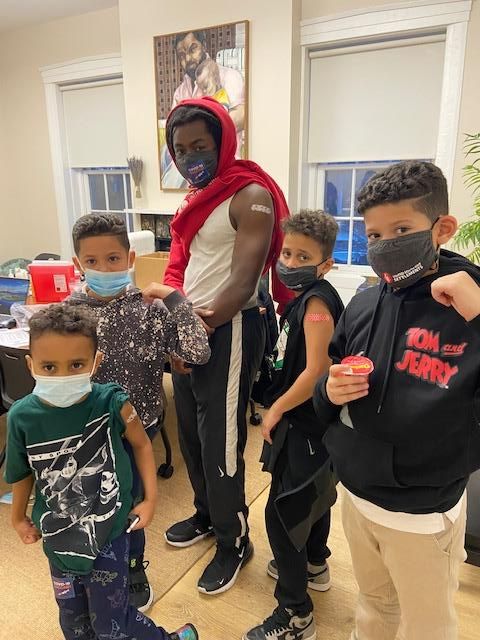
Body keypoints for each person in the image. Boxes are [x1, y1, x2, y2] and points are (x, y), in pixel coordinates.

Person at [313, 161, 480, 640]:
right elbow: (331, 377)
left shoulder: (469, 304)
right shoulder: (364, 302)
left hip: (424, 515)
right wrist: (329, 389)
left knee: (428, 627)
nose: (385, 245)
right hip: (357, 496)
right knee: (373, 607)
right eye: (374, 235)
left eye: (402, 230)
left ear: (442, 228)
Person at [4, 304, 198, 640]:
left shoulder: (113, 404)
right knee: (74, 625)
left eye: (76, 365)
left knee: (112, 624)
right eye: (49, 367)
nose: (62, 376)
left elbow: (141, 445)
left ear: (96, 362)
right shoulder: (22, 417)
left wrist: (150, 499)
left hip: (109, 533)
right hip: (58, 540)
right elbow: (22, 471)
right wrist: (18, 517)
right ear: (30, 364)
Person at [162, 96, 293, 595]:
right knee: (192, 435)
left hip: (231, 327)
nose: (189, 156)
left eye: (199, 145)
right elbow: (182, 268)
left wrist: (193, 330)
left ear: (223, 142)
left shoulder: (249, 194)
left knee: (220, 439)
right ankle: (206, 513)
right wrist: (177, 330)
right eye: (180, 149)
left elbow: (242, 281)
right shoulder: (196, 198)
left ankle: (233, 539)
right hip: (192, 327)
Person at [67, 212, 211, 611]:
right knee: (90, 503)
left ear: (130, 258)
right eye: (92, 261)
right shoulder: (69, 315)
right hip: (86, 432)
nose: (103, 268)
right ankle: (95, 564)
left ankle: (132, 568)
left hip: (138, 428)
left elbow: (198, 352)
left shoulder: (150, 309)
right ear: (78, 264)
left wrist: (175, 299)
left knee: (132, 500)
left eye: (113, 258)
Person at [244, 210, 344, 640]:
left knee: (282, 513)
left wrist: (277, 408)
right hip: (313, 422)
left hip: (305, 421)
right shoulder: (307, 298)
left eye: (303, 256)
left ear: (325, 264)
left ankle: (295, 613)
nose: (289, 262)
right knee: (312, 497)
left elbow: (317, 369)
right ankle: (314, 563)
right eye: (287, 252)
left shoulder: (317, 305)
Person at [161, 31, 245, 189]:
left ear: (204, 46)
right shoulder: (180, 92)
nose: (188, 58)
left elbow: (241, 115)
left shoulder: (229, 76)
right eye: (181, 55)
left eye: (192, 49)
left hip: (227, 178)